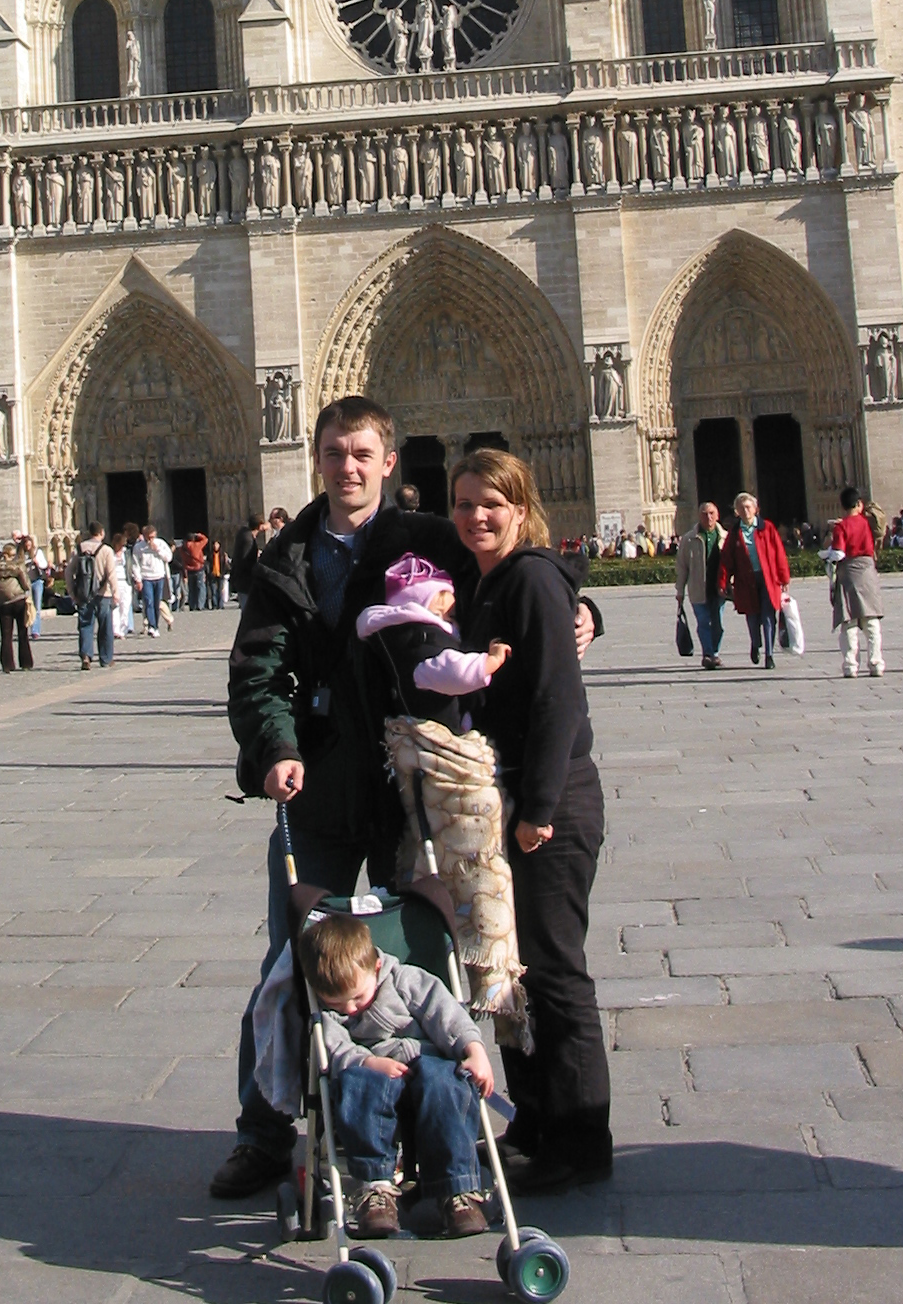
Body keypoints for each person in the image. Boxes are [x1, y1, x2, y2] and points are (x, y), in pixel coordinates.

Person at [212, 395, 599, 1200]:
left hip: (404, 792)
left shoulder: (428, 540)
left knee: (420, 959)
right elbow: (255, 671)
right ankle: (262, 1130)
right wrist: (275, 747)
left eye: (361, 453)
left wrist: (582, 603)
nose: (346, 467)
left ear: (389, 462)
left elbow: (519, 568)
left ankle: (420, 1122)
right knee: (291, 958)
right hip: (318, 783)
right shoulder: (282, 557)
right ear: (314, 459)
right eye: (332, 453)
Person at [455, 447, 613, 1193]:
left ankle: (580, 1140)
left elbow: (558, 699)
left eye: (492, 504)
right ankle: (536, 1123)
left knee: (554, 974)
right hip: (510, 799)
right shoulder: (486, 580)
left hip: (548, 802)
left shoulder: (531, 577)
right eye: (465, 505)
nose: (477, 516)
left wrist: (539, 812)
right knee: (513, 975)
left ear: (522, 508)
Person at [354, 554, 523, 1032]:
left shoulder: (388, 633)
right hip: (444, 769)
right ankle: (492, 967)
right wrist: (488, 661)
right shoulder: (419, 639)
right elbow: (447, 670)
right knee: (476, 856)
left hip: (412, 772)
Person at [298, 908, 495, 1241]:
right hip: (373, 1075)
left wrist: (474, 1051)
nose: (349, 1009)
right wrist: (365, 1061)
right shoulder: (330, 1011)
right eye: (336, 1003)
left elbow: (447, 1016)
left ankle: (458, 1191)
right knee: (355, 1083)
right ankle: (376, 1189)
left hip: (426, 1062)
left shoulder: (406, 981)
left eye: (358, 997)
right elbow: (333, 1048)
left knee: (448, 1082)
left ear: (376, 967)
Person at [720, 491, 790, 669]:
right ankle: (755, 643)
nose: (745, 511)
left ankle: (769, 654)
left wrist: (784, 578)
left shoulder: (767, 528)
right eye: (741, 508)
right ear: (737, 512)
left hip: (768, 579)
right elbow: (727, 559)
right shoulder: (735, 533)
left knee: (768, 616)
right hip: (746, 580)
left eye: (748, 507)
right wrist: (723, 581)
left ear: (755, 508)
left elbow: (779, 554)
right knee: (751, 615)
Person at [828, 486, 885, 677]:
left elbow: (838, 553)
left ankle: (850, 665)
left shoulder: (841, 526)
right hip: (868, 570)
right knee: (871, 620)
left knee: (849, 620)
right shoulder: (867, 523)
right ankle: (876, 662)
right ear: (859, 504)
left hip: (848, 573)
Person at [674, 501, 725, 669]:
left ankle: (714, 651)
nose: (708, 517)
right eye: (704, 514)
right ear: (698, 516)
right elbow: (682, 567)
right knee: (703, 622)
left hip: (719, 589)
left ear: (717, 516)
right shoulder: (689, 538)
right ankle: (708, 654)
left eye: (711, 513)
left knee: (718, 625)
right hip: (697, 589)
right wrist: (680, 590)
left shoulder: (724, 537)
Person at [0, 535, 35, 672]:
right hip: (18, 600)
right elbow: (25, 583)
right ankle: (26, 663)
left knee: (6, 635)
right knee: (22, 633)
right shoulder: (17, 566)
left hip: (3, 602)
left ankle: (7, 664)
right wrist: (26, 590)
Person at [71, 524, 117, 670]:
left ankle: (86, 655)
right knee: (105, 627)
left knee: (85, 625)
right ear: (102, 533)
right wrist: (116, 592)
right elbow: (111, 573)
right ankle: (106, 658)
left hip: (84, 594)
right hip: (103, 593)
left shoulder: (78, 549)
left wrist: (72, 593)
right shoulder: (106, 550)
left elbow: (68, 572)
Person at [136, 529, 169, 636]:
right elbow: (135, 564)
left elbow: (168, 557)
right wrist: (138, 579)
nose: (151, 540)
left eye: (152, 537)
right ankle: (152, 626)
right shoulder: (138, 547)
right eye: (148, 537)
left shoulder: (161, 543)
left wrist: (158, 550)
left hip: (159, 576)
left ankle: (156, 625)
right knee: (148, 601)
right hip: (146, 577)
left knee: (156, 602)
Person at [24, 534, 49, 637]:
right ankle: (27, 627)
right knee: (28, 606)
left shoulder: (38, 552)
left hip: (37, 581)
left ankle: (35, 631)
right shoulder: (21, 554)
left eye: (29, 545)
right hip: (26, 582)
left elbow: (44, 565)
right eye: (26, 545)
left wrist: (37, 562)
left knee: (37, 607)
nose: (28, 547)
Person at [180, 530, 208, 611]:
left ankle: (192, 605)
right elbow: (205, 539)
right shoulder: (196, 545)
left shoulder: (182, 548)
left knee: (191, 588)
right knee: (200, 587)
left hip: (189, 569)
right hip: (198, 568)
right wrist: (198, 535)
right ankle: (200, 605)